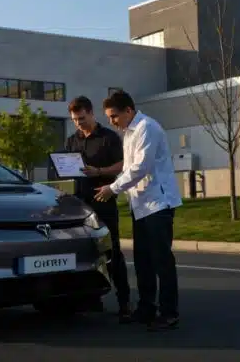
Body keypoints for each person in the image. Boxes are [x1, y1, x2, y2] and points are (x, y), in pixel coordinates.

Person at [94, 90, 182, 331]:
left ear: (129, 111)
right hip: (141, 205)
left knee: (162, 261)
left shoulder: (147, 128)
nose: (112, 121)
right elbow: (128, 169)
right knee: (143, 261)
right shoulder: (129, 133)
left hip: (158, 204)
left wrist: (112, 188)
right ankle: (146, 308)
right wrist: (111, 183)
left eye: (114, 116)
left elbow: (140, 168)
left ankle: (169, 312)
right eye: (110, 117)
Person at [48, 95, 132, 323]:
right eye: (74, 120)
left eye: (82, 118)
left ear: (91, 113)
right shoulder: (71, 141)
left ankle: (124, 301)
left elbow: (123, 165)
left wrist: (99, 172)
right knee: (84, 253)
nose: (78, 123)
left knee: (111, 252)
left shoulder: (108, 138)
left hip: (103, 201)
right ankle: (92, 299)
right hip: (79, 205)